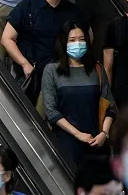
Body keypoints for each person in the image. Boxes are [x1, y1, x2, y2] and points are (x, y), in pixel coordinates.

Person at [1, 0, 89, 104]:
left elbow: (87, 39)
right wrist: (24, 64)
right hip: (31, 75)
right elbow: (7, 38)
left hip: (64, 77)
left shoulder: (74, 11)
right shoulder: (26, 7)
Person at [42, 20, 116, 168]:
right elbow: (51, 111)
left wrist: (104, 133)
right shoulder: (52, 70)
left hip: (96, 142)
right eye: (72, 40)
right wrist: (78, 134)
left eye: (82, 39)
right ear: (64, 43)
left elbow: (110, 106)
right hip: (66, 143)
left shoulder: (96, 69)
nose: (78, 43)